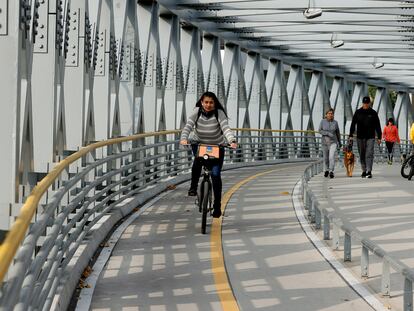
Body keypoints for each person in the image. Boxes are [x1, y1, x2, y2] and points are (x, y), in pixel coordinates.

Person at [180, 91, 237, 218]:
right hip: (199, 144)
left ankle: (217, 206)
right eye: (206, 102)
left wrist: (232, 141)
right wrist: (184, 138)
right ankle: (193, 187)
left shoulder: (219, 113)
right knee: (197, 163)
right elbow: (188, 126)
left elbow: (225, 128)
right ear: (201, 102)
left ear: (215, 103)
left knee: (216, 175)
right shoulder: (197, 111)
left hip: (217, 146)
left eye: (211, 102)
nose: (208, 104)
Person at [349, 96, 382, 178]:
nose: (366, 105)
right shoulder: (358, 112)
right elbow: (353, 124)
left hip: (370, 136)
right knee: (362, 154)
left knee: (369, 153)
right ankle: (364, 170)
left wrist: (379, 136)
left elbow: (377, 125)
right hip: (360, 137)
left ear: (369, 103)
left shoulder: (373, 113)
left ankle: (369, 171)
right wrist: (350, 135)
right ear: (362, 103)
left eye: (367, 103)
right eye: (364, 103)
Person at [318, 108, 341, 178]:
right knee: (326, 158)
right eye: (329, 113)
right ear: (326, 115)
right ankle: (327, 169)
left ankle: (331, 171)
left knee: (331, 157)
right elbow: (320, 130)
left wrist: (339, 142)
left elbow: (338, 133)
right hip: (324, 142)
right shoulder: (322, 122)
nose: (330, 115)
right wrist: (327, 133)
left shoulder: (335, 122)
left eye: (332, 114)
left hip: (333, 142)